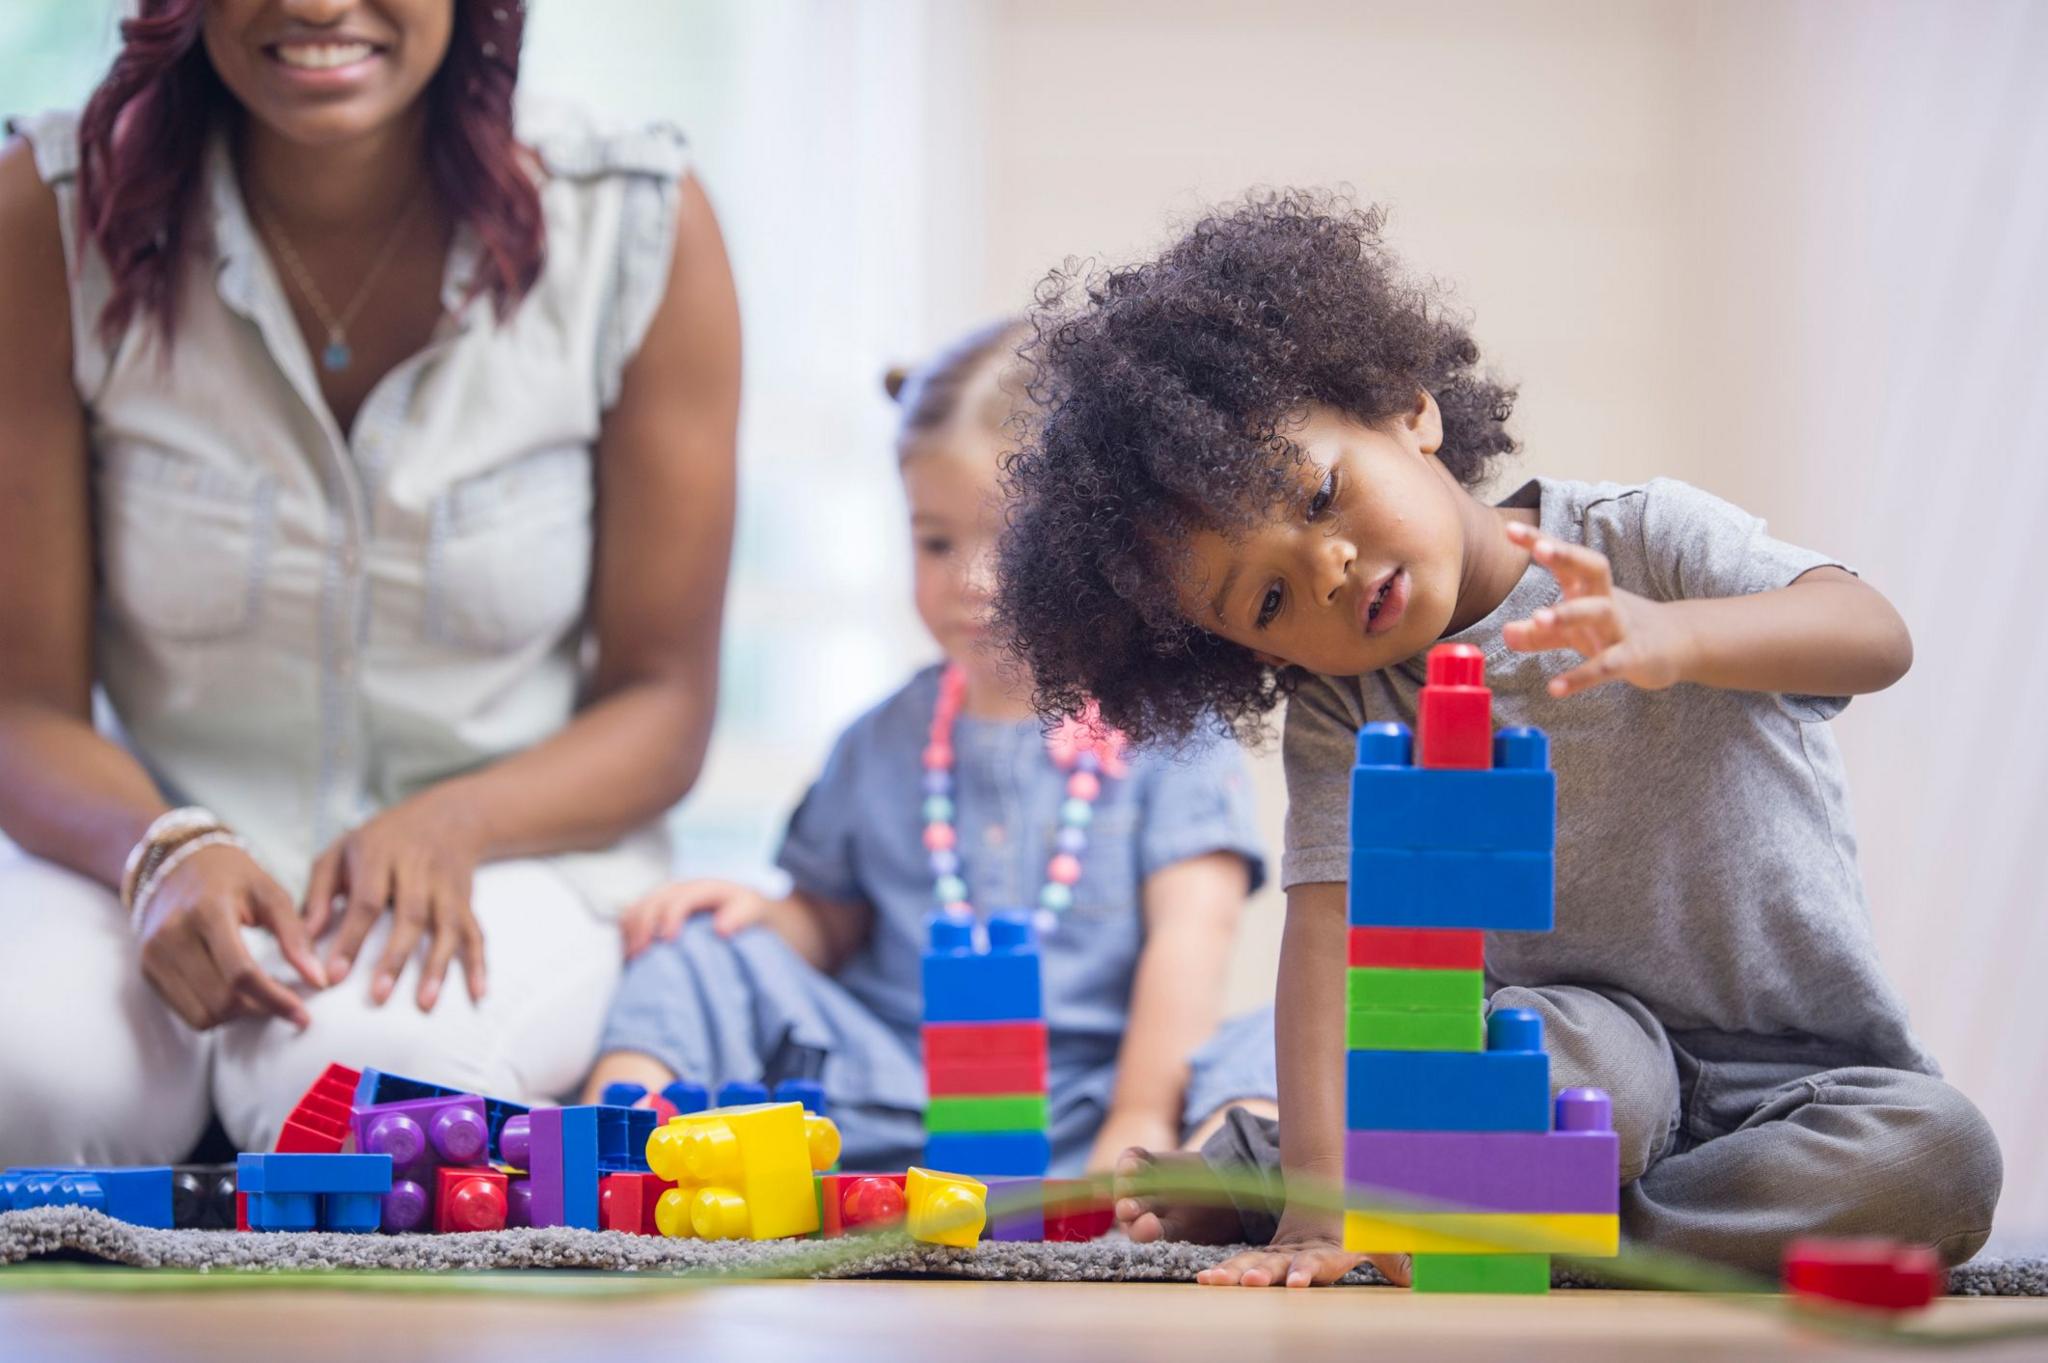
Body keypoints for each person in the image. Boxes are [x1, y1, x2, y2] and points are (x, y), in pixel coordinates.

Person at [990, 191, 2002, 1281]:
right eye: (1268, 601)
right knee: (1564, 1074)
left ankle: (1531, 1231)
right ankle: (1370, 1188)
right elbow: (1326, 939)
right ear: (1243, 654)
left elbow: (1873, 634)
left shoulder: (1640, 543)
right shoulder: (1348, 702)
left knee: (1936, 1159)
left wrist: (1679, 636)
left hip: (1798, 1078)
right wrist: (1325, 1216)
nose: (1322, 567)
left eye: (1321, 495)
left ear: (1406, 409)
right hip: (1562, 1055)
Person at [0, 0, 738, 1162]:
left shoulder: (634, 226)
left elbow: (663, 706)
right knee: (35, 1088)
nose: (315, 6)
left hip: (508, 858)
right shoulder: (48, 213)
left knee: (369, 1102)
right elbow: (21, 708)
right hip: (142, 849)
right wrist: (163, 851)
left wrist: (460, 818)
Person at [588, 320, 1275, 1174]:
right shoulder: (883, 739)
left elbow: (1191, 940)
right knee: (695, 953)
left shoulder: (1172, 730)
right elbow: (830, 921)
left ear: (1105, 540)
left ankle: (1197, 1181)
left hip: (1092, 1104)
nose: (972, 580)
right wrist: (760, 920)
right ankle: (608, 1160)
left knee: (1296, 1030)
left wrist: (1134, 1116)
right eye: (936, 541)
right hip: (894, 1096)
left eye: (1012, 540)